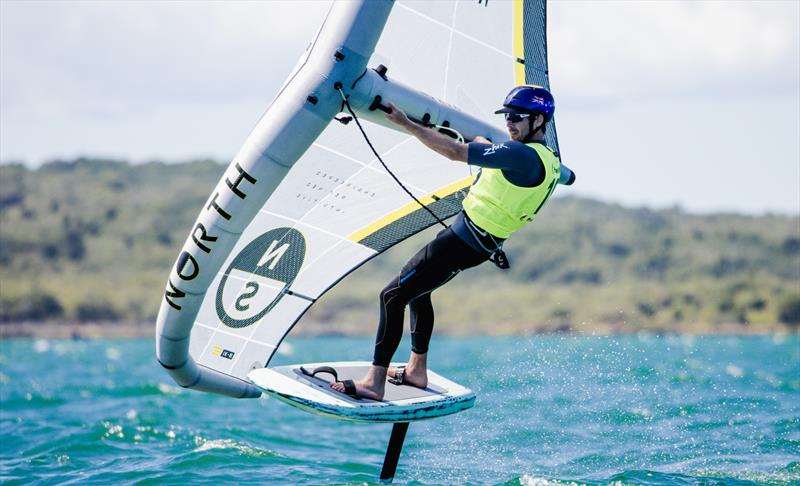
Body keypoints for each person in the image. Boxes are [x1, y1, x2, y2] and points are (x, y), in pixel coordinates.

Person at [331, 85, 571, 400]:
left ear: (539, 120)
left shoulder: (520, 155)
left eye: (517, 117)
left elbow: (455, 152)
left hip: (460, 242)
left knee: (392, 296)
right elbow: (503, 161)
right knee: (419, 291)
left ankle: (373, 384)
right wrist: (486, 145)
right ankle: (416, 371)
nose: (509, 123)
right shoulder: (548, 160)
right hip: (477, 244)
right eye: (507, 117)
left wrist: (406, 123)